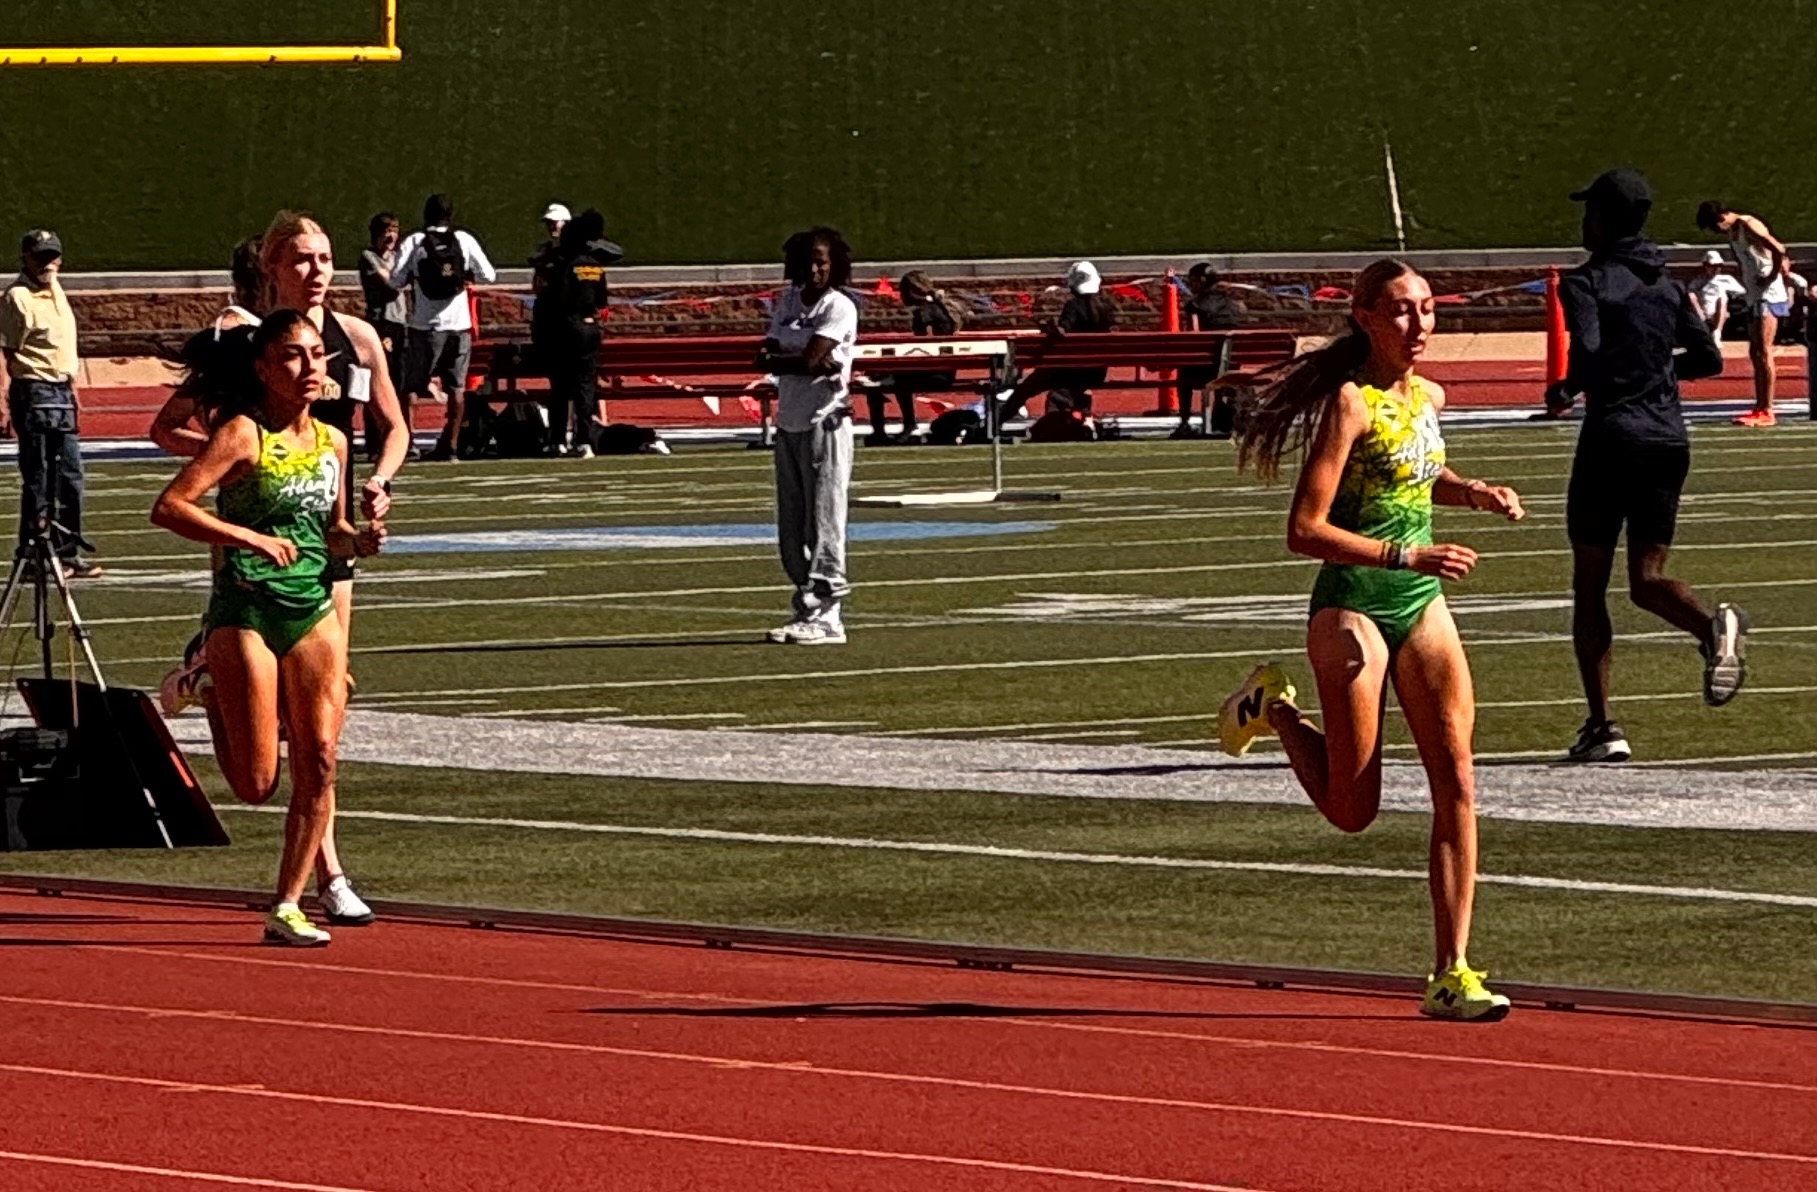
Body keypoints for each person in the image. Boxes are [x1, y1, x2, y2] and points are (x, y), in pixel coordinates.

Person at [1215, 258, 1526, 1022]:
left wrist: (1470, 491)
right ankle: (1273, 710)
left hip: (1419, 604)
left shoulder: (1427, 397)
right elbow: (1304, 530)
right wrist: (1403, 554)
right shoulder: (1348, 405)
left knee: (1455, 777)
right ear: (1361, 317)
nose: (1417, 325)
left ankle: (1450, 970)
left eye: (1426, 310)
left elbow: (1413, 476)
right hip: (1351, 605)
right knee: (1353, 810)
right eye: (1398, 311)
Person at [150, 310, 385, 946]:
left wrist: (358, 540)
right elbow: (169, 507)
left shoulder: (333, 443)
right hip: (245, 612)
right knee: (257, 784)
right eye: (292, 357)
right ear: (263, 368)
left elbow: (329, 530)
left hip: (310, 608)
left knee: (321, 761)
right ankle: (205, 688)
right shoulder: (242, 435)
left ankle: (286, 904)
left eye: (316, 356)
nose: (309, 369)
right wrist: (246, 535)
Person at [1548, 171, 1744, 762]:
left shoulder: (1584, 283)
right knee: (1647, 580)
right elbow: (1708, 358)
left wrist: (1568, 387)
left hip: (1611, 437)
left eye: (1590, 214)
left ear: (1604, 221)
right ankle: (1711, 629)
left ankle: (1603, 725)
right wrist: (1655, 369)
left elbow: (1588, 349)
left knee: (1590, 584)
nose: (1584, 223)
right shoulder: (1666, 284)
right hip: (1668, 440)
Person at [756, 227, 858, 646]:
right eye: (809, 261)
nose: (815, 269)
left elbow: (811, 357)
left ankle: (829, 611)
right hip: (790, 422)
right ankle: (805, 603)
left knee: (824, 520)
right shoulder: (787, 302)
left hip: (826, 422)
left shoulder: (840, 307)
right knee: (790, 526)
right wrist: (799, 361)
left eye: (823, 261)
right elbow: (764, 355)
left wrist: (794, 360)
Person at [1, 229, 100, 577]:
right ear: (25, 259)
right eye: (40, 257)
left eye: (52, 257)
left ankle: (66, 551)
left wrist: (71, 386)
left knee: (71, 475)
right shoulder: (17, 298)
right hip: (33, 389)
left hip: (60, 389)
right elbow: (6, 351)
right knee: (39, 477)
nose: (47, 264)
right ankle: (33, 557)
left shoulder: (55, 288)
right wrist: (2, 399)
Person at [391, 194, 497, 460]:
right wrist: (465, 275)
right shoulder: (464, 239)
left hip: (425, 326)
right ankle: (451, 446)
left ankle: (407, 442)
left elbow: (395, 281)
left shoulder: (415, 242)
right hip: (459, 325)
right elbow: (489, 275)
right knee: (456, 388)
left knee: (411, 386)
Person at [1696, 199, 1787, 426]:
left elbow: (1778, 249)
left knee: (1764, 351)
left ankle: (1767, 409)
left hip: (1768, 293)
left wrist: (1771, 276)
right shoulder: (1733, 234)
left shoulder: (1748, 225)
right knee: (1755, 352)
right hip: (1754, 294)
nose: (1716, 231)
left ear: (1721, 217)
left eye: (1715, 226)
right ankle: (1759, 406)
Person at [542, 208, 622, 457]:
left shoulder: (564, 265)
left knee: (560, 387)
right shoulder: (595, 266)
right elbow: (601, 301)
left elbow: (556, 299)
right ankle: (584, 440)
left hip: (565, 327)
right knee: (585, 387)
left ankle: (557, 439)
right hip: (589, 328)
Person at [994, 261, 1116, 426]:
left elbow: (1061, 331)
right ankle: (1083, 419)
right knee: (1076, 387)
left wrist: (1049, 328)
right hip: (1096, 373)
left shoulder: (1073, 306)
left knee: (1023, 390)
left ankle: (994, 425)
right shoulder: (1106, 308)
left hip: (1067, 371)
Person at [866, 270, 961, 446]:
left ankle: (889, 429)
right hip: (944, 369)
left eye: (902, 291)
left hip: (935, 372)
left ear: (912, 292)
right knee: (885, 376)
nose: (900, 295)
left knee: (875, 379)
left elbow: (927, 347)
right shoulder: (938, 308)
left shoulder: (924, 313)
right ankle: (905, 423)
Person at [358, 212, 410, 451]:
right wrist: (404, 276)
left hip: (401, 324)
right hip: (381, 325)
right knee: (379, 383)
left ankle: (404, 439)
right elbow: (390, 286)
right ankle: (375, 442)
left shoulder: (399, 257)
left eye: (395, 230)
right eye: (387, 231)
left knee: (402, 385)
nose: (391, 236)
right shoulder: (369, 258)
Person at [1174, 263, 1244, 437]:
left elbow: (1194, 336)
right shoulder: (1232, 305)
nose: (1190, 285)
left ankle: (1185, 421)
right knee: (1223, 363)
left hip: (1205, 369)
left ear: (1201, 280)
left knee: (1183, 375)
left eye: (1192, 280)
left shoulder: (1195, 305)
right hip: (1231, 366)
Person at [1688, 249, 1744, 339]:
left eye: (1719, 265)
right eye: (1713, 265)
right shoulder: (1698, 281)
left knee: (1722, 298)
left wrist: (1731, 295)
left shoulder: (1727, 279)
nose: (1716, 268)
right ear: (1705, 266)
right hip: (1703, 312)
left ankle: (1717, 332)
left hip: (1722, 312)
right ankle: (1703, 323)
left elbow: (1741, 292)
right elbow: (1690, 293)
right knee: (1691, 296)